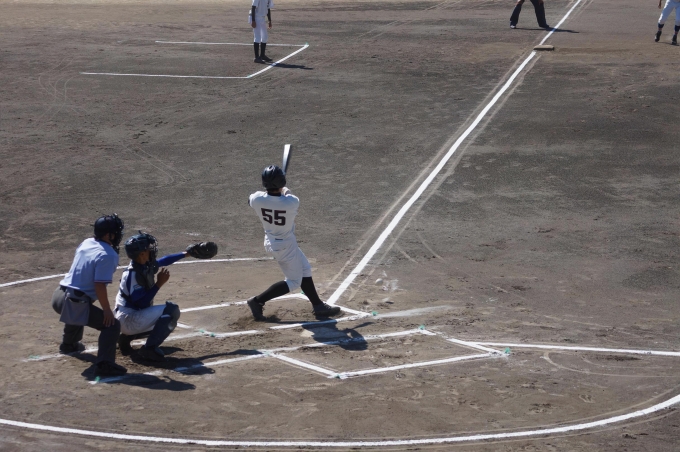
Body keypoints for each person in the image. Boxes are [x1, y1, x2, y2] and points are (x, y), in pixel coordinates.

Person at [247, 165, 341, 320]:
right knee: (294, 281)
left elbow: (251, 199)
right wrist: (283, 188)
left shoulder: (257, 199)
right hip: (284, 245)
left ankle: (318, 305)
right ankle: (257, 301)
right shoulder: (292, 202)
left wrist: (273, 190)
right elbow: (286, 192)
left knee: (305, 268)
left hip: (273, 241)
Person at [114, 234, 216, 361]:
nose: (151, 250)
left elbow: (164, 261)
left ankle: (125, 339)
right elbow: (141, 303)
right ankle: (149, 349)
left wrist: (186, 254)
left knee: (163, 321)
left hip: (128, 317)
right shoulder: (133, 275)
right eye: (148, 248)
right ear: (142, 254)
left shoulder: (142, 265)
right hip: (128, 319)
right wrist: (158, 284)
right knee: (171, 312)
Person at [51, 213, 127, 377]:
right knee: (111, 325)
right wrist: (106, 310)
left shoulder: (87, 242)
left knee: (81, 307)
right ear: (107, 235)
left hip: (58, 296)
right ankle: (105, 365)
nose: (117, 235)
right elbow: (99, 285)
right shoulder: (108, 255)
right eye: (115, 232)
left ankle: (69, 344)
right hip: (73, 302)